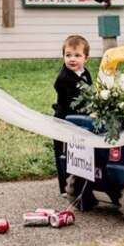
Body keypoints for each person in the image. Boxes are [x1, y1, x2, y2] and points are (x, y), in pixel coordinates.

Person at [52, 35, 93, 195]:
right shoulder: (63, 79)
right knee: (63, 152)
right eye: (68, 55)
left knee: (77, 152)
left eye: (77, 55)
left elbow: (89, 91)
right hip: (64, 119)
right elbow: (72, 102)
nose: (72, 59)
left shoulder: (85, 73)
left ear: (86, 58)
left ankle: (80, 183)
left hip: (79, 120)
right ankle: (64, 187)